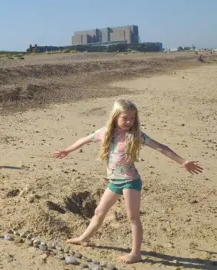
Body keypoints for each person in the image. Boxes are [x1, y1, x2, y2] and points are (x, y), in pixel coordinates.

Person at [53, 99, 203, 264]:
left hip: (130, 182)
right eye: (125, 118)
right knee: (99, 212)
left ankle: (136, 253)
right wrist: (67, 150)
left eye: (132, 118)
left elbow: (161, 147)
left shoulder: (136, 135)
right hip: (114, 182)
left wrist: (182, 161)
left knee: (133, 218)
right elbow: (84, 139)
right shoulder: (105, 133)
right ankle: (84, 238)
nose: (129, 122)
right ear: (115, 117)